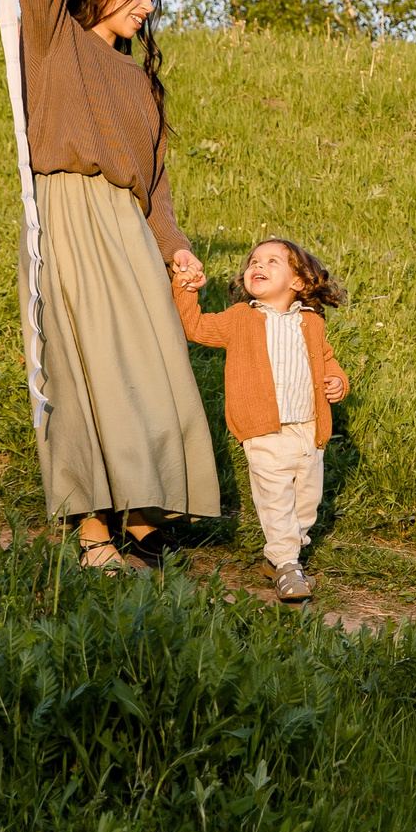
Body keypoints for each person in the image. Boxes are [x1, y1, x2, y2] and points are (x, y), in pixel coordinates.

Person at [16, 0, 220, 571]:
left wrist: (176, 248)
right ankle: (94, 528)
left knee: (150, 362)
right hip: (67, 211)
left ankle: (142, 515)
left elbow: (157, 183)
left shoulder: (141, 84)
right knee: (82, 361)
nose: (150, 7)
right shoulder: (53, 39)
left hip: (127, 227)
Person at [170, 238, 351, 602]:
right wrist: (185, 290)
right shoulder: (241, 318)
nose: (258, 266)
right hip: (262, 428)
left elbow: (325, 358)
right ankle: (286, 565)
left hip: (309, 429)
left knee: (306, 504)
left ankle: (280, 556)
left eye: (271, 262)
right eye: (253, 261)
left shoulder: (310, 322)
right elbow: (197, 328)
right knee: (275, 500)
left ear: (298, 282)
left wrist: (337, 380)